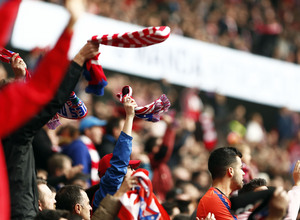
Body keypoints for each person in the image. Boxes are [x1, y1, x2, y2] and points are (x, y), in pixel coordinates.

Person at [92, 96, 139, 211]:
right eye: (129, 167)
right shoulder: (109, 189)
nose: (134, 171)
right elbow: (119, 163)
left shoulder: (125, 193)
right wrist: (129, 117)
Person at [196, 147, 245, 219]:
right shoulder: (214, 200)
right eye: (240, 168)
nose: (243, 173)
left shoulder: (219, 198)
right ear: (230, 171)